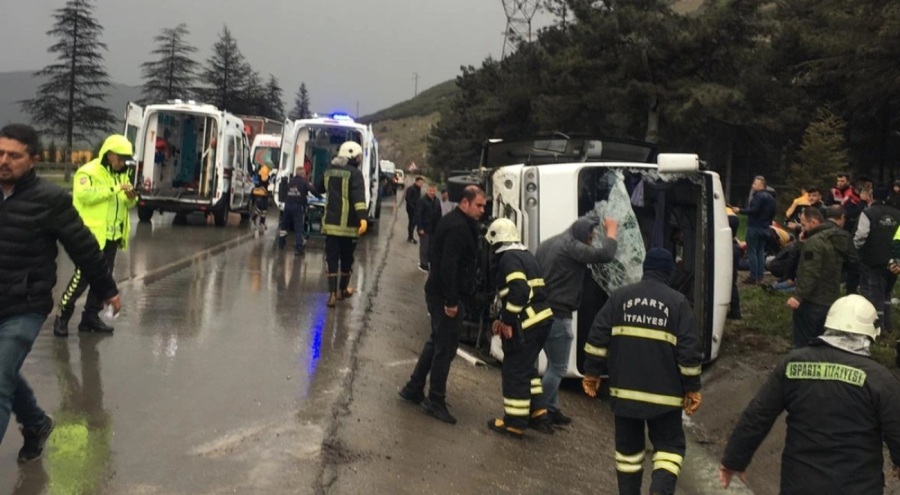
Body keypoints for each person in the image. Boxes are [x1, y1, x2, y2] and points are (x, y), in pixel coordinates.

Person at [0, 124, 121, 462]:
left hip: (25, 305)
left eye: (14, 155)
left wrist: (107, 289)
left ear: (33, 160)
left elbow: (83, 247)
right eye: (0, 153)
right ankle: (36, 424)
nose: (4, 161)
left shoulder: (50, 200)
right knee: (4, 371)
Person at [719, 295, 900, 494]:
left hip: (799, 485)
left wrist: (733, 460)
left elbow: (758, 415)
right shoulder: (879, 379)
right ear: (869, 335)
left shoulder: (793, 364)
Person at [582, 248, 702, 495]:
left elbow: (597, 336)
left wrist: (592, 372)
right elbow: (689, 352)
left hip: (624, 394)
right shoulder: (678, 303)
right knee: (669, 448)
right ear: (669, 272)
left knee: (628, 453)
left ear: (645, 269)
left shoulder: (620, 297)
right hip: (665, 398)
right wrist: (692, 388)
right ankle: (659, 490)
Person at [399, 186, 486, 425]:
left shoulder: (459, 222)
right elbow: (449, 266)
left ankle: (414, 387)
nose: (482, 210)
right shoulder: (457, 227)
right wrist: (451, 301)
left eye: (484, 206)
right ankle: (435, 400)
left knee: (436, 341)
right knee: (445, 348)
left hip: (443, 293)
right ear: (465, 203)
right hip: (445, 296)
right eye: (478, 205)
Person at [534, 216, 619, 425]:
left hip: (541, 312)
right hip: (558, 315)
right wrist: (611, 231)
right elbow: (605, 255)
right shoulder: (572, 246)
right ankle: (538, 411)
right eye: (591, 236)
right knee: (558, 368)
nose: (592, 239)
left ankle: (552, 409)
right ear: (582, 233)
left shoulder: (548, 244)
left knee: (553, 364)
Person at [53, 134, 137, 338]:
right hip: (90, 237)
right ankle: (62, 315)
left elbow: (127, 204)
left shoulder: (122, 175)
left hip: (112, 236)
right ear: (110, 154)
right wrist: (115, 189)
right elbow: (85, 195)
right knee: (81, 279)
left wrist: (131, 198)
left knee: (102, 279)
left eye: (126, 159)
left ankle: (90, 317)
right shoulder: (88, 171)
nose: (123, 163)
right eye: (121, 158)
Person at [483, 218, 555, 438]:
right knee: (526, 368)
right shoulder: (525, 255)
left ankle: (514, 423)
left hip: (528, 322)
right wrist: (503, 317)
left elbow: (520, 290)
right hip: (542, 320)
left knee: (514, 370)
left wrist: (507, 321)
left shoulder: (508, 259)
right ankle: (538, 413)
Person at [788, 207, 857, 347]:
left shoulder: (815, 242)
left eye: (804, 225)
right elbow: (853, 263)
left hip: (812, 300)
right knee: (822, 343)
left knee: (804, 343)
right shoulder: (840, 238)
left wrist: (798, 296)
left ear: (813, 222)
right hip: (831, 298)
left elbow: (810, 271)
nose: (802, 229)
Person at [316, 141, 368, 308]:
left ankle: (331, 294)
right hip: (349, 226)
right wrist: (363, 218)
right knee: (346, 259)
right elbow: (359, 198)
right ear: (352, 156)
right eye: (358, 156)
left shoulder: (329, 171)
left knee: (331, 259)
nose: (360, 159)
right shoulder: (355, 174)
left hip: (330, 225)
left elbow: (319, 188)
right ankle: (342, 290)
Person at [853, 185, 900, 334]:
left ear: (872, 196)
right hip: (894, 260)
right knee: (887, 292)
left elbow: (861, 235)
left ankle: (878, 328)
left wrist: (855, 249)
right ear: (888, 196)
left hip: (873, 259)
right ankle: (888, 325)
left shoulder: (868, 213)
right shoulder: (898, 214)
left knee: (875, 294)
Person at [732, 176, 775, 284]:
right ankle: (760, 276)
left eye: (755, 184)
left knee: (752, 252)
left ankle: (753, 276)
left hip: (755, 227)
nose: (753, 186)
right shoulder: (771, 197)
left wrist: (740, 210)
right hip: (765, 228)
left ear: (761, 185)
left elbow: (754, 210)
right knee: (760, 252)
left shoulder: (758, 196)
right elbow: (773, 213)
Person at [278, 166, 321, 255]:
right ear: (303, 174)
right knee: (298, 227)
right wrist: (320, 197)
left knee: (284, 226)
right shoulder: (304, 182)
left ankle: (281, 244)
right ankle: (299, 248)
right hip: (297, 206)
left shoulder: (290, 182)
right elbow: (312, 191)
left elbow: (284, 192)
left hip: (287, 205)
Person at [415, 185, 442, 272]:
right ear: (427, 190)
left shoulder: (437, 201)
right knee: (424, 247)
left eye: (433, 191)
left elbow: (439, 214)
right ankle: (423, 264)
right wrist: (420, 228)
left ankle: (429, 262)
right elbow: (418, 215)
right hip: (424, 228)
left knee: (432, 247)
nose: (432, 192)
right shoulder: (422, 201)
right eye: (430, 190)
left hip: (433, 228)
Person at [250, 160, 271, 234]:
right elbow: (264, 180)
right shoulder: (264, 170)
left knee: (264, 208)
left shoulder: (266, 170)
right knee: (260, 207)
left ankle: (262, 222)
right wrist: (269, 178)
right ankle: (253, 219)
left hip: (263, 192)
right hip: (259, 192)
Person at [402, 176, 425, 243]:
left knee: (413, 222)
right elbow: (408, 199)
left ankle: (411, 237)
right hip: (411, 208)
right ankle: (410, 237)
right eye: (420, 182)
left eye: (422, 183)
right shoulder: (411, 188)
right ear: (416, 182)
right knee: (412, 222)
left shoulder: (418, 189)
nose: (421, 184)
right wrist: (412, 207)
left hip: (416, 208)